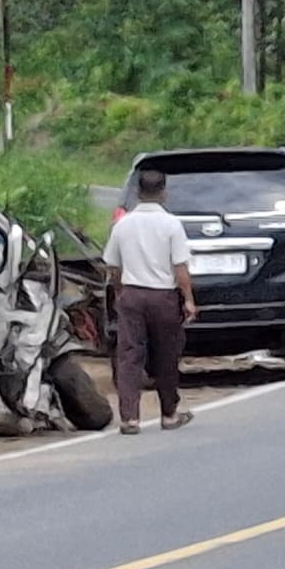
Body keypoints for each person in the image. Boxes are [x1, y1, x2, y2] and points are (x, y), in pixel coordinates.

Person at [102, 168, 199, 435]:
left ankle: (129, 418)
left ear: (137, 192)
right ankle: (169, 414)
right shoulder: (171, 225)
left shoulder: (123, 225)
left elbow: (112, 266)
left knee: (129, 356)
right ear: (164, 192)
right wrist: (189, 299)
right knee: (166, 355)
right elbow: (180, 268)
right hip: (163, 297)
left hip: (132, 296)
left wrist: (120, 290)